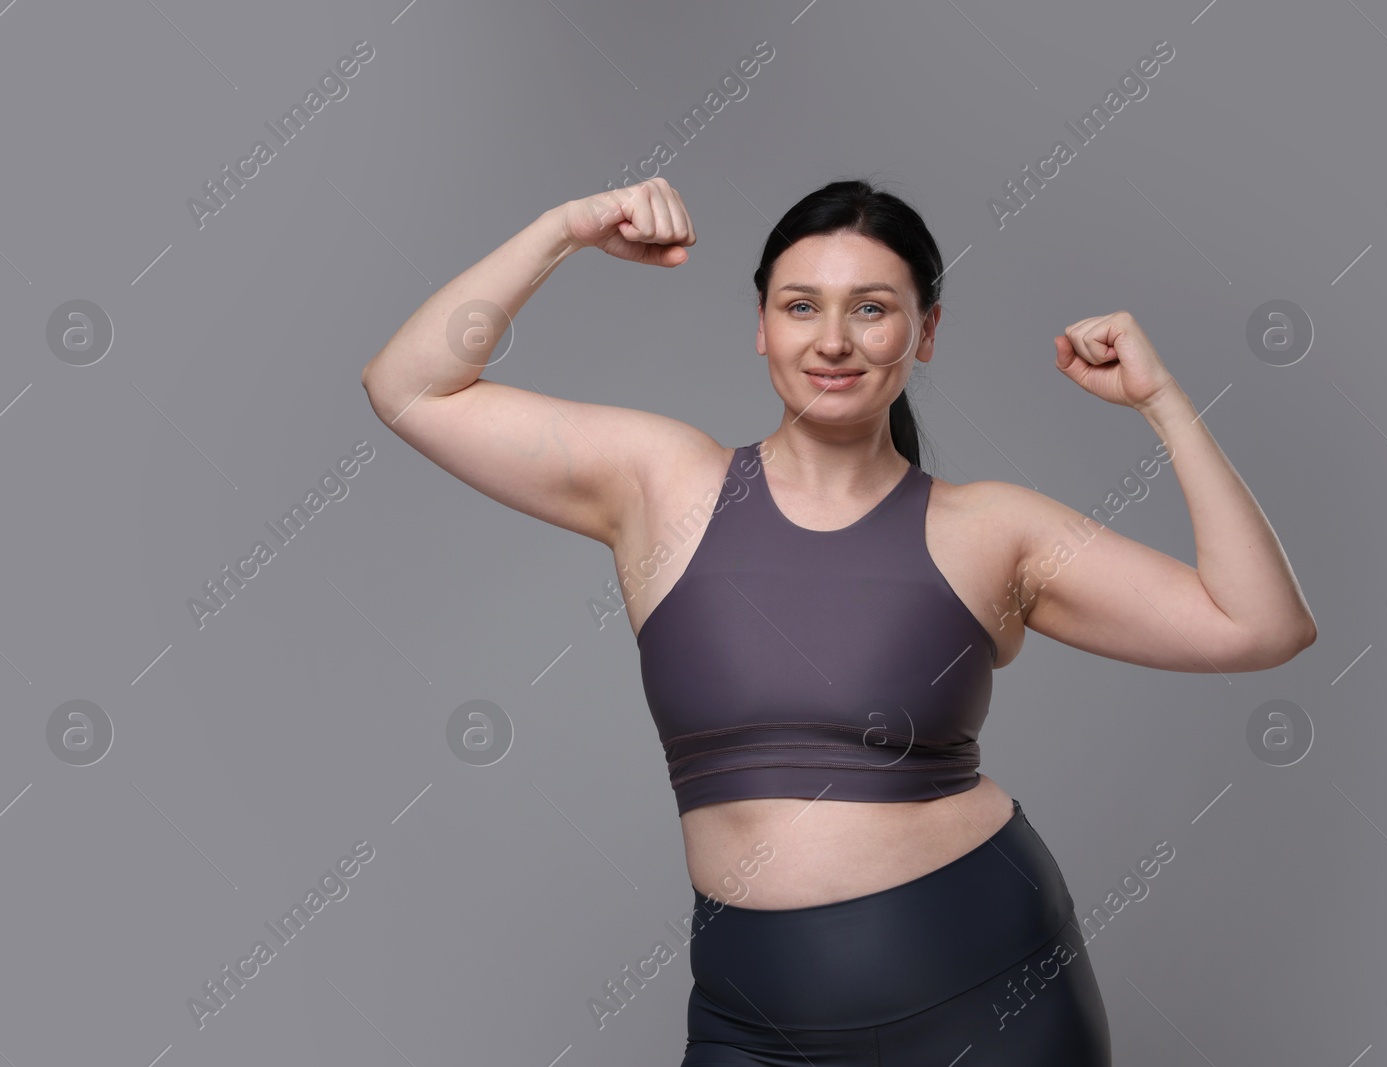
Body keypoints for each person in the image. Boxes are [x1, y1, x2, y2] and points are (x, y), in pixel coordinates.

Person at [360, 176, 1317, 1065]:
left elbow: (1259, 625)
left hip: (989, 996)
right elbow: (407, 385)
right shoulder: (661, 484)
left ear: (925, 330)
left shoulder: (991, 530)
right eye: (800, 306)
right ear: (762, 329)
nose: (833, 340)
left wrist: (1162, 401)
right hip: (751, 1019)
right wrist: (565, 230)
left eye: (872, 307)